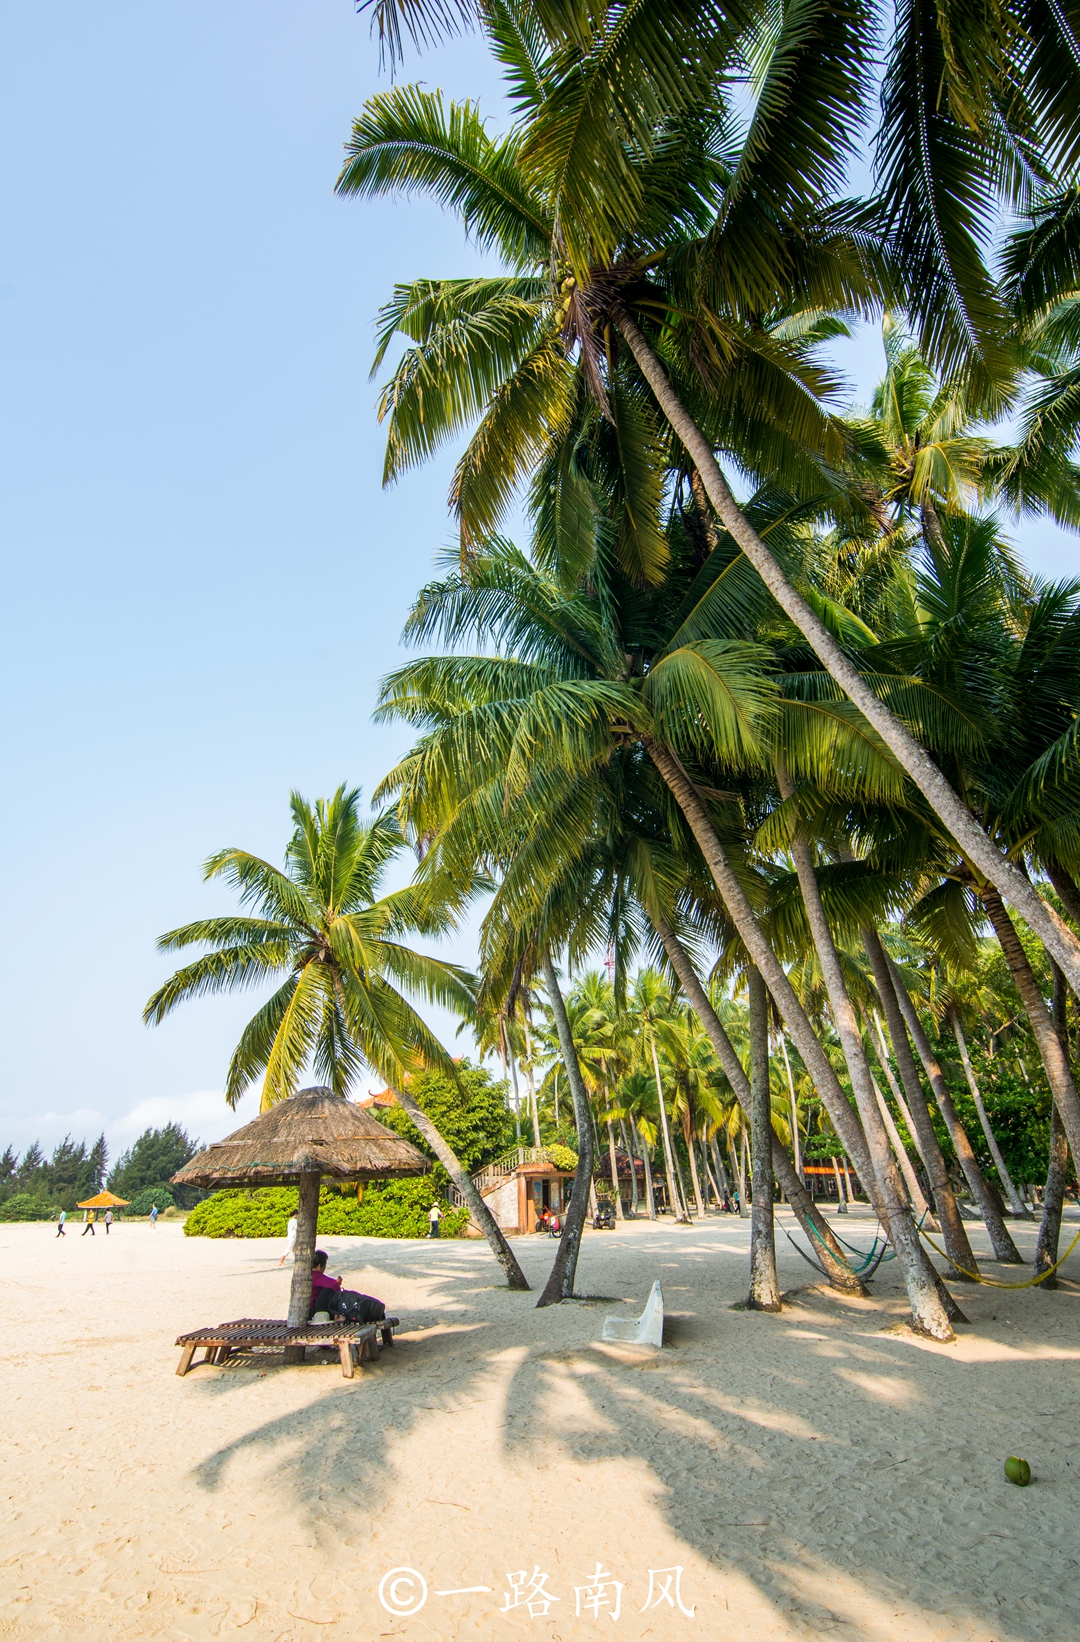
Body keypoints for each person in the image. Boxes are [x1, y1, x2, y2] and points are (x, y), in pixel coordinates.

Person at [309, 1251, 385, 1325]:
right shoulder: (316, 1276)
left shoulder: (308, 1275)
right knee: (328, 1291)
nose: (324, 1269)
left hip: (311, 1309)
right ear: (319, 1266)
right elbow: (333, 1286)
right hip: (313, 1311)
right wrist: (337, 1283)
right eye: (324, 1266)